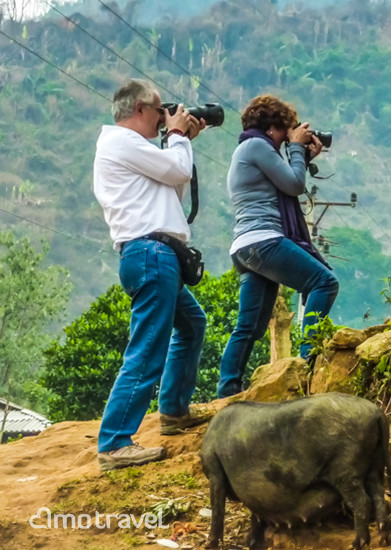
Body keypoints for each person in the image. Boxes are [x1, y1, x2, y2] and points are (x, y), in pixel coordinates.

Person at [93, 79, 210, 472]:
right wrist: (177, 135)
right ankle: (113, 443)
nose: (165, 118)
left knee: (192, 324)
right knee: (147, 348)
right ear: (140, 109)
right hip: (151, 254)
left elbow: (173, 187)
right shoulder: (121, 142)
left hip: (157, 255)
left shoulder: (133, 150)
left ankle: (174, 412)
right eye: (161, 111)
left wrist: (181, 138)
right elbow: (178, 169)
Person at [218, 94, 338, 398]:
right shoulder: (258, 146)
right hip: (263, 242)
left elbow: (286, 181)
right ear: (272, 127)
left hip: (246, 247)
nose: (290, 135)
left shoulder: (248, 149)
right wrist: (297, 148)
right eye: (288, 128)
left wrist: (302, 155)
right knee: (324, 282)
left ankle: (228, 389)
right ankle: (306, 365)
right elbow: (295, 185)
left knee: (251, 325)